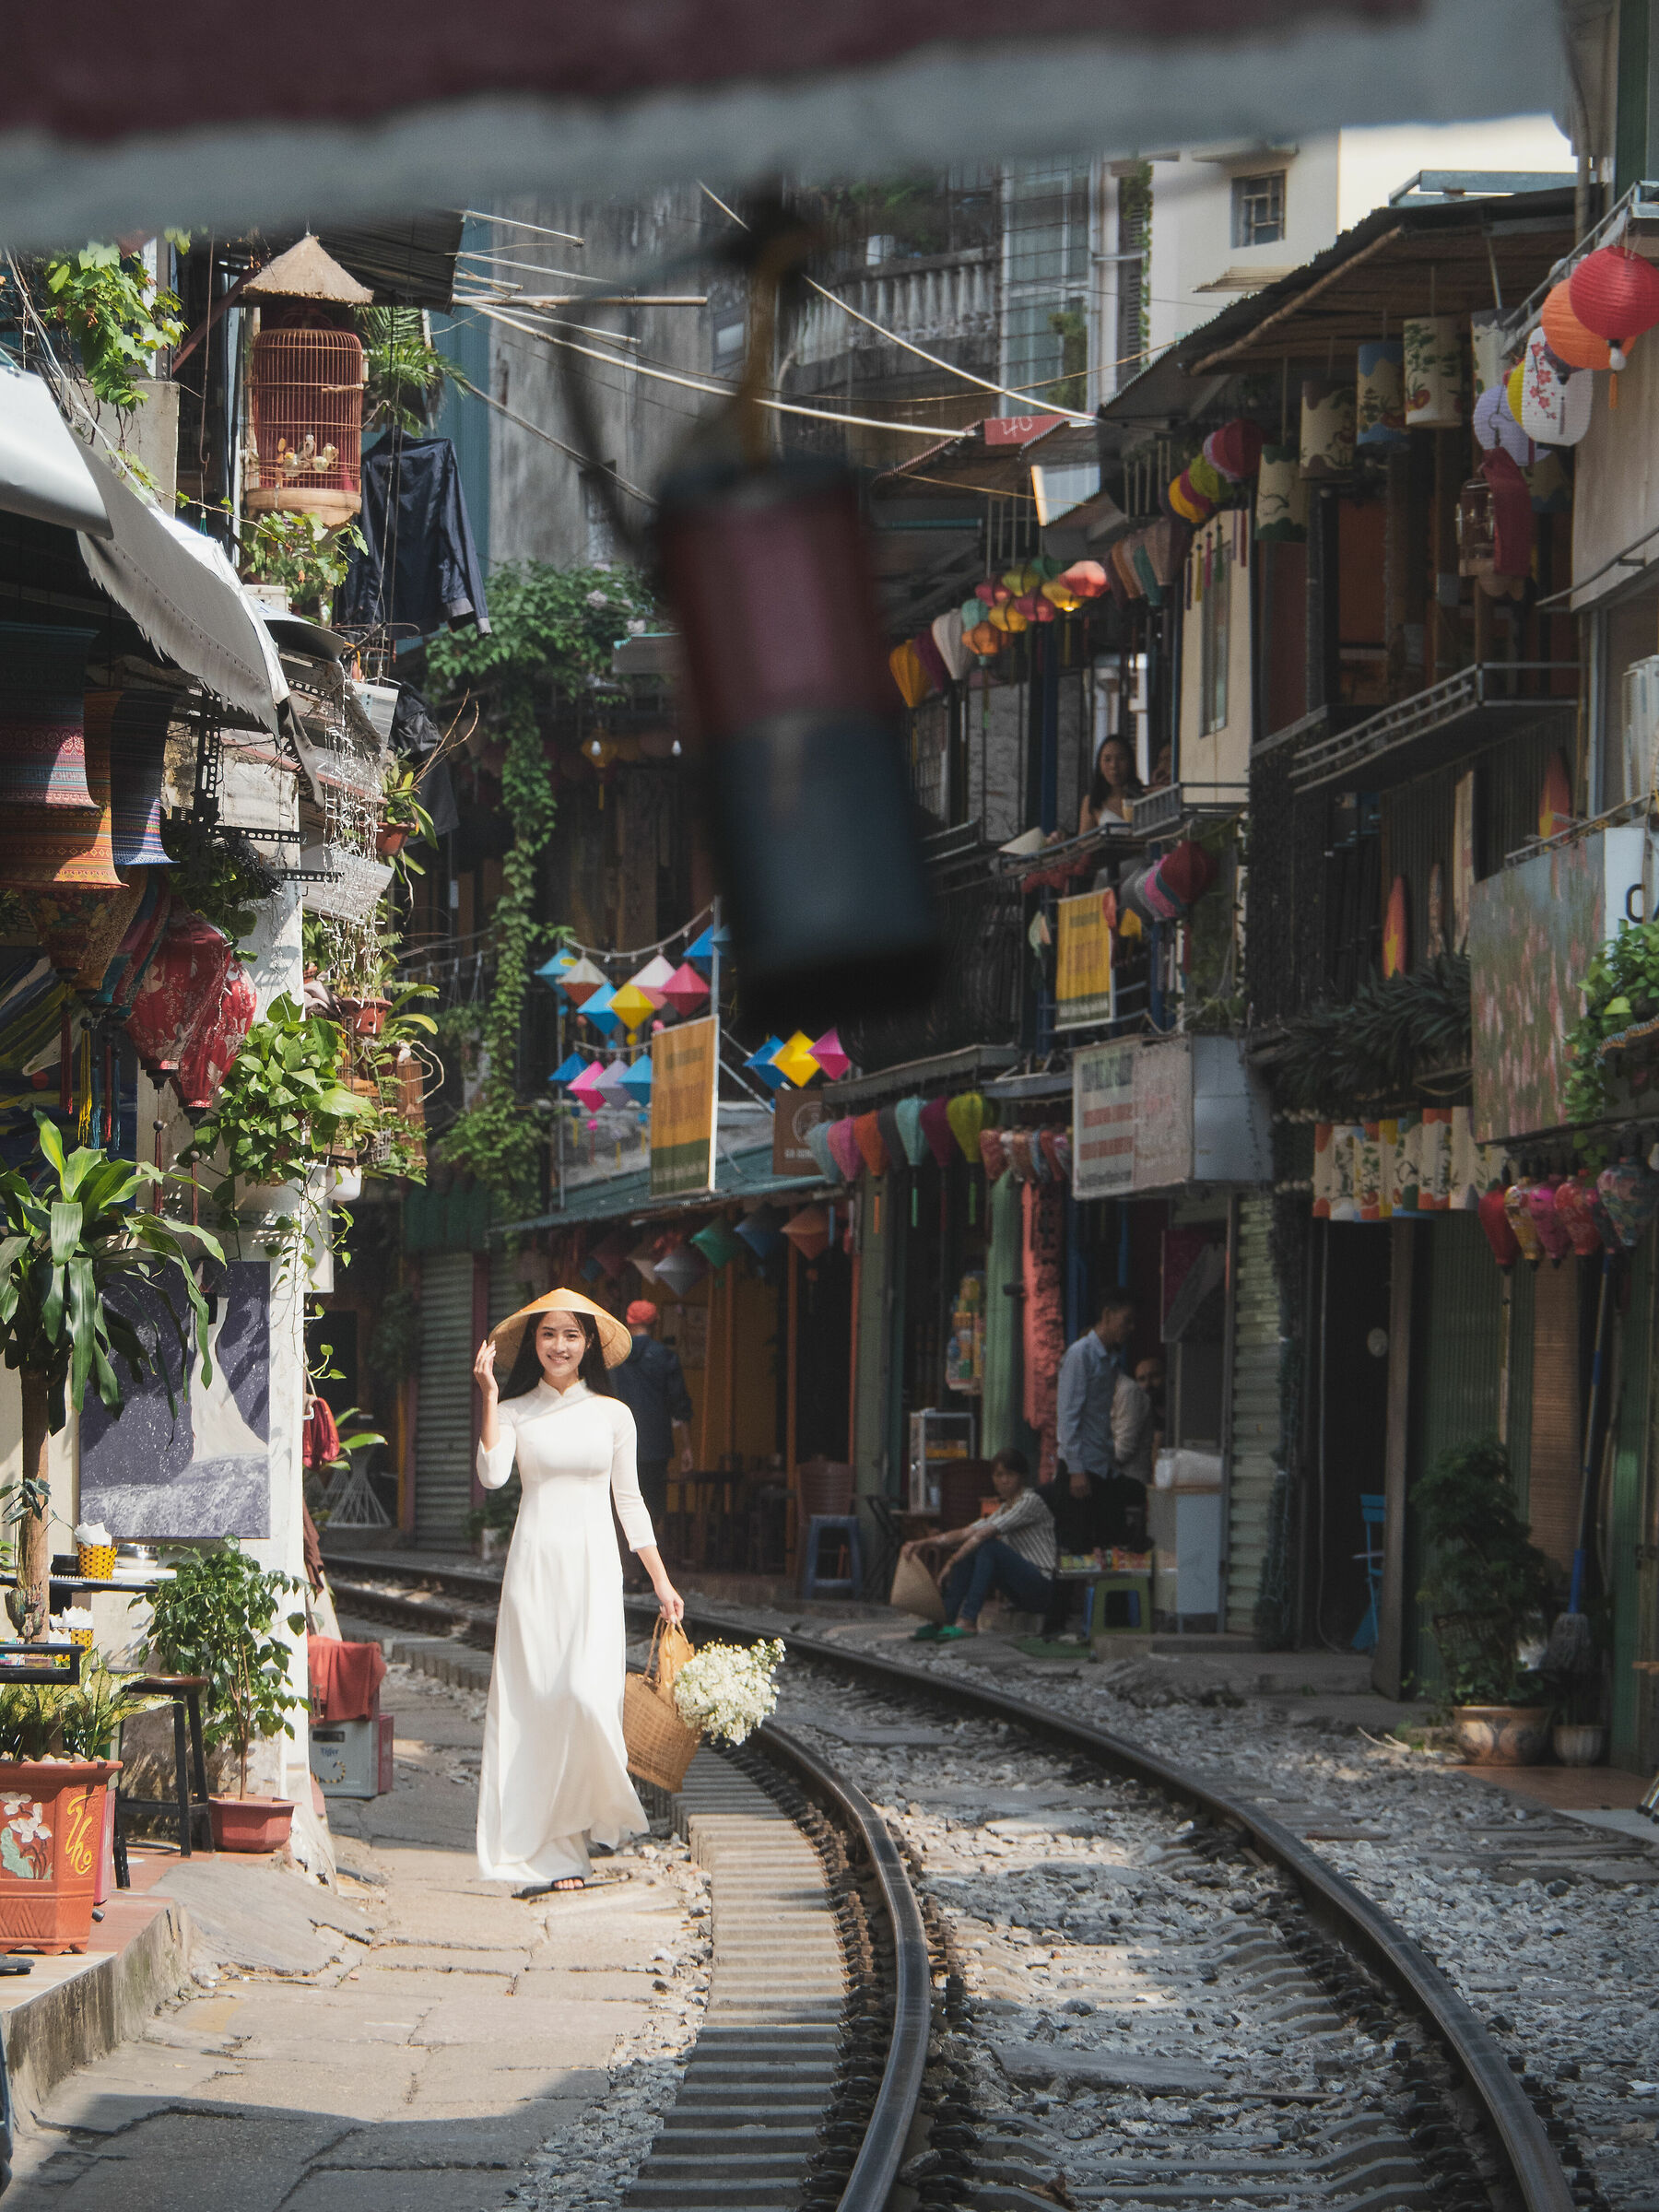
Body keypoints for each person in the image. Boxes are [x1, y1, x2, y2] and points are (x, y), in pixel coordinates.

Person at [472, 1288, 683, 1897]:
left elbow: (630, 1501)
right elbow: (492, 1476)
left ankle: (579, 1826)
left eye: (570, 1335)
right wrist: (489, 1397)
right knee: (535, 1705)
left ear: (588, 1343)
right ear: (533, 1343)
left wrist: (662, 1580)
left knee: (586, 1699)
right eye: (547, 1335)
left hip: (594, 1571)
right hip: (534, 1570)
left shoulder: (613, 1416)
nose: (559, 1345)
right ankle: (554, 1854)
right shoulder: (514, 1409)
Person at [902, 1448, 1056, 1640]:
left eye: (1010, 1475)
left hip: (1042, 1589)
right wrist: (922, 1543)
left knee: (987, 1546)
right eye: (999, 1475)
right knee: (971, 1548)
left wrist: (950, 1563)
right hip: (1020, 1592)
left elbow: (985, 1534)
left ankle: (968, 1620)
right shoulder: (1003, 1509)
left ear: (1022, 1477)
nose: (1004, 1481)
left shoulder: (1030, 1501)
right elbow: (966, 1532)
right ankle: (944, 1619)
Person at [609, 1298, 695, 1571]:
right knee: (652, 1505)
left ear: (628, 1322)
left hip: (616, 1442)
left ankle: (625, 1570)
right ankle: (649, 1571)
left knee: (619, 1503)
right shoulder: (665, 1356)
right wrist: (687, 1448)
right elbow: (679, 1404)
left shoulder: (614, 1357)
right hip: (655, 1443)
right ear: (655, 1324)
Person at [1056, 1289, 1144, 1547]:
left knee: (1111, 1547)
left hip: (1102, 1469)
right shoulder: (1080, 1355)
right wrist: (1075, 1470)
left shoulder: (1109, 1360)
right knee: (1077, 1552)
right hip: (1082, 1472)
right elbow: (1068, 1415)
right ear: (1107, 1315)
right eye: (1126, 1320)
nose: (1130, 1328)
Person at [1079, 734, 1143, 833]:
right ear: (1099, 764)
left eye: (1121, 759)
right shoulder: (1093, 801)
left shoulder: (1144, 797)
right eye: (1107, 760)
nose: (1114, 765)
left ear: (1130, 762)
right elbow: (1083, 843)